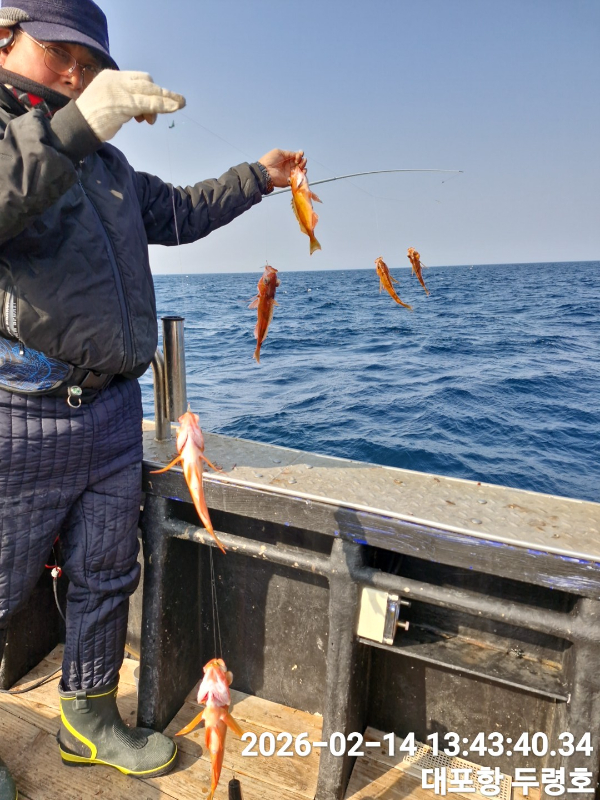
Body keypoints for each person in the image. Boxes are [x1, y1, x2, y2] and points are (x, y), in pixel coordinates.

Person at [0, 1, 306, 796]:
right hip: (18, 416)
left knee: (107, 574)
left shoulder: (106, 165)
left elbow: (177, 212)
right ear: (4, 37)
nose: (77, 74)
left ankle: (88, 719)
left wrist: (259, 178)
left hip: (111, 414)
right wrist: (77, 128)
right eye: (60, 53)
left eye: (90, 64)